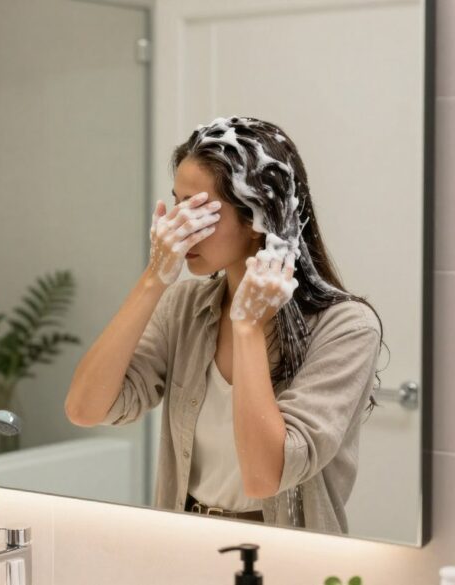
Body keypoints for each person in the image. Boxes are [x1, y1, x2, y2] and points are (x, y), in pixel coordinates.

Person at [65, 117, 383, 533]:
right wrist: (153, 279)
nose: (178, 227)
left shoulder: (346, 328)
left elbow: (263, 475)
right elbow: (86, 409)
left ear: (257, 218)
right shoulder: (184, 306)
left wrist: (248, 327)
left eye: (198, 210)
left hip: (292, 558)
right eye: (176, 205)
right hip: (186, 543)